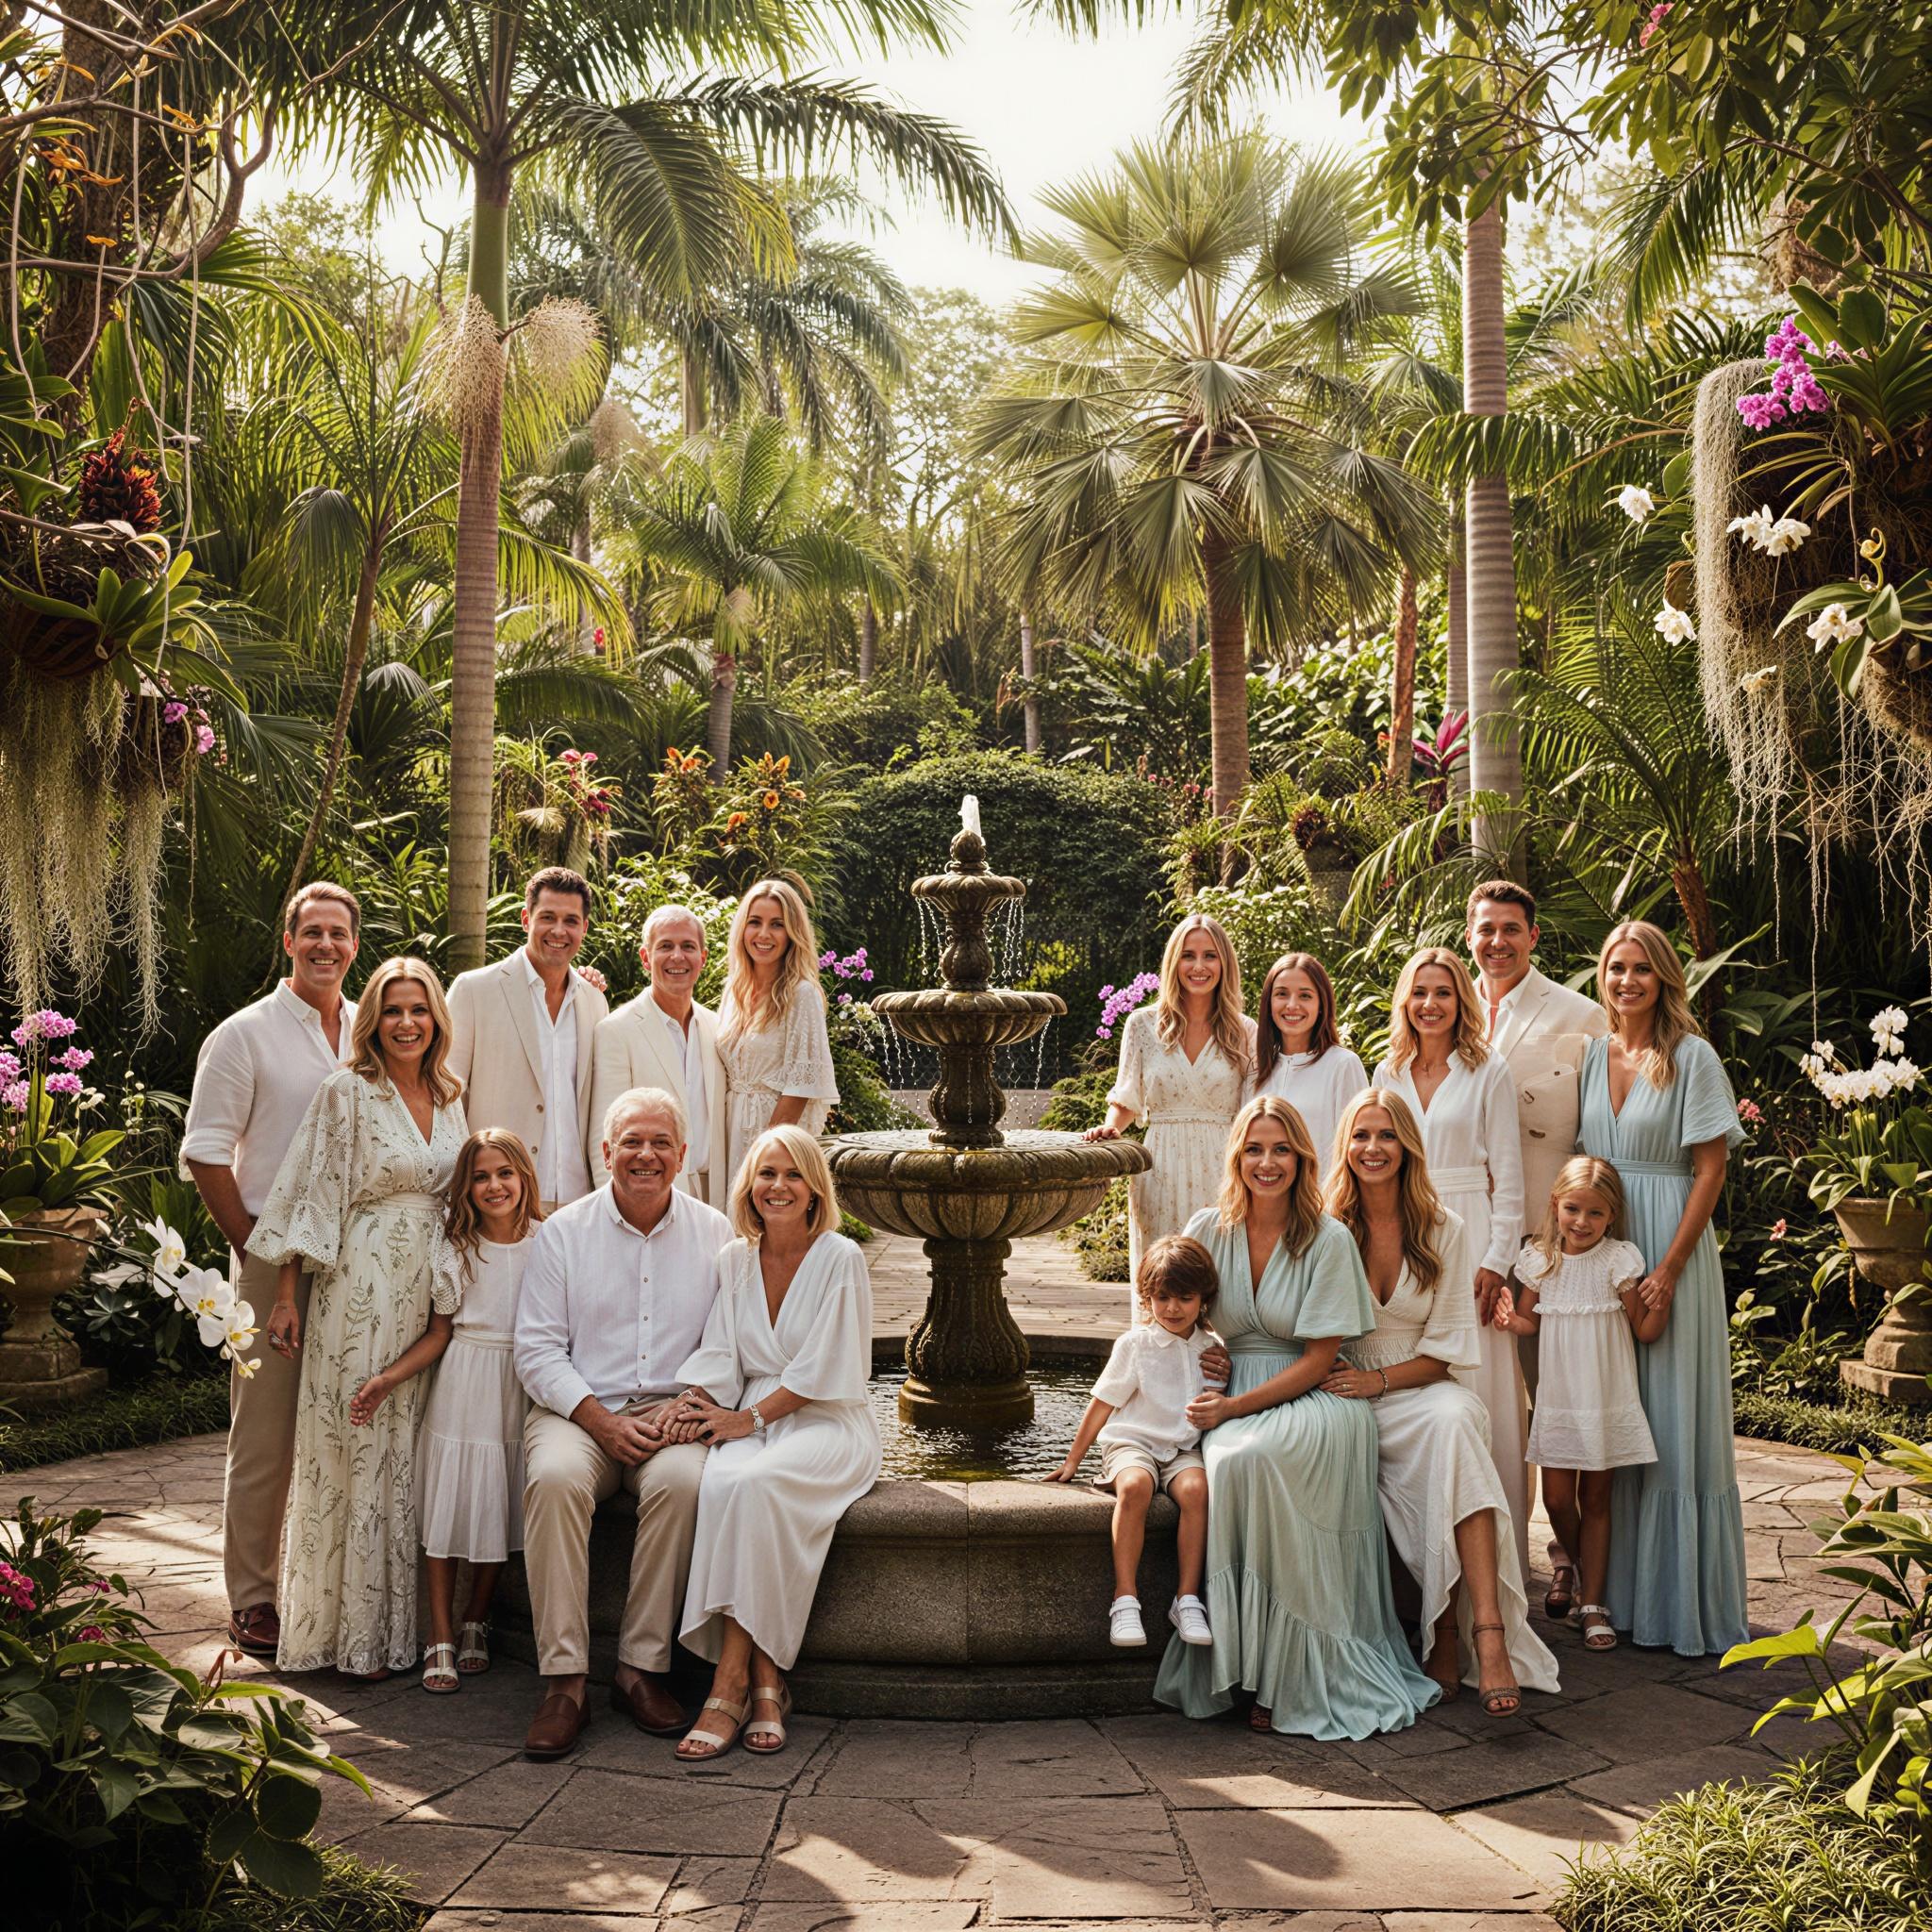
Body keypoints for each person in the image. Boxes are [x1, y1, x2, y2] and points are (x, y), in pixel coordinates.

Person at [1155, 1096, 1439, 1740]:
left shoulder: (1328, 1237)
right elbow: (1170, 1313)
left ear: (1303, 1159)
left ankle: (1293, 1675)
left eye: (1281, 1149)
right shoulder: (1208, 1227)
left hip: (1315, 1400)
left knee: (1245, 1457)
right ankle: (1243, 1665)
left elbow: (1318, 1359)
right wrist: (1208, 1356)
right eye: (1254, 1149)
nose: (1267, 1162)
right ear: (1236, 1156)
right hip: (1232, 1389)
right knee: (1228, 1459)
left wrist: (1232, 1406)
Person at [247, 957, 469, 1678]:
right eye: (394, 1010)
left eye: (420, 1010)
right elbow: (309, 1191)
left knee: (409, 1455)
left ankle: (400, 1632)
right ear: (375, 1020)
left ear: (437, 1018)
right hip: (359, 1286)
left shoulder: (449, 1092)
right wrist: (286, 1294)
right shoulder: (347, 1091)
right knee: (355, 1442)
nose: (408, 1023)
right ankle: (347, 1637)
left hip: (428, 1292)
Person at [1322, 1090, 1559, 1714]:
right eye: (1362, 1136)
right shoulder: (1323, 1226)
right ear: (1345, 1147)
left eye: (1387, 1136)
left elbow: (1447, 1354)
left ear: (1408, 1147)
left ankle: (1488, 1633)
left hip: (1416, 1389)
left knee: (1457, 1421)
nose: (1374, 1149)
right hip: (1340, 1393)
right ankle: (1446, 1635)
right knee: (1449, 1437)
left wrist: (1378, 1382)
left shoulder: (1444, 1229)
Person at [512, 1087, 732, 1760]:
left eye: (661, 1142)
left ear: (684, 1155)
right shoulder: (563, 1233)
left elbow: (730, 1340)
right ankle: (566, 1682)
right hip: (579, 1412)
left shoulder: (717, 1233)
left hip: (673, 1417)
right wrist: (599, 1422)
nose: (646, 1155)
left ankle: (640, 1669)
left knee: (685, 1485)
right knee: (551, 1478)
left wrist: (691, 1402)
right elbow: (537, 1347)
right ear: (605, 1152)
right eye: (631, 1142)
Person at [659, 1126, 881, 1759]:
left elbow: (826, 1373)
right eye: (765, 1174)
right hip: (753, 1412)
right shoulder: (734, 1259)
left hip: (827, 1421)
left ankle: (728, 1686)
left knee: (754, 1483)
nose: (777, 1187)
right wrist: (696, 1403)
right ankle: (766, 1684)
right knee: (722, 1482)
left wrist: (747, 1421)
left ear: (815, 1188)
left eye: (791, 1175)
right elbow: (722, 1352)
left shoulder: (840, 1258)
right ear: (748, 1186)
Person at [180, 881, 360, 1660]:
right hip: (271, 1264)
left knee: (347, 1427)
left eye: (339, 934)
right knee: (265, 1438)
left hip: (358, 1263)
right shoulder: (243, 1035)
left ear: (356, 945)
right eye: (311, 932)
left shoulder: (366, 1029)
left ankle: (329, 1590)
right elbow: (204, 1152)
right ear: (287, 941)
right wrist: (254, 1245)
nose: (326, 946)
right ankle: (253, 1598)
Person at [1579, 921, 1748, 1656]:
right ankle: (1616, 1597)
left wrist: (1671, 1267)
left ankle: (1683, 1607)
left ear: (1665, 979)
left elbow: (1710, 1168)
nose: (1627, 982)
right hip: (1607, 1256)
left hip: (1671, 1248)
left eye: (1642, 970)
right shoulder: (1592, 1055)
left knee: (1674, 1426)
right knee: (1621, 1420)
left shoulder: (1693, 1056)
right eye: (1617, 968)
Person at [346, 1128, 544, 1691]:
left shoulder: (549, 1240)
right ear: (466, 1186)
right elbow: (439, 1333)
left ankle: (476, 1620)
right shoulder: (454, 1245)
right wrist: (388, 1378)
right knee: (449, 1509)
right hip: (464, 1383)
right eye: (480, 1176)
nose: (494, 1185)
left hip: (523, 1381)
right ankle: (439, 1633)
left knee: (500, 1507)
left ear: (524, 1177)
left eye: (505, 1173)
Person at [1467, 876, 1609, 1618]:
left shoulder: (1580, 1016)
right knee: (1477, 1400)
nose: (1497, 942)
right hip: (1463, 1240)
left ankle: (1567, 1560)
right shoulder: (1444, 1007)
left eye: (1510, 929)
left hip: (1548, 1247)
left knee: (1555, 1400)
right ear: (1470, 935)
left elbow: (1598, 1139)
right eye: (1485, 929)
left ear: (1533, 936)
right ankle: (1480, 1550)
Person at [1373, 948, 1531, 1577]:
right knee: (1423, 1393)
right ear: (1405, 1002)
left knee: (1481, 1399)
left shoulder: (1486, 1068)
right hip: (1404, 1235)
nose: (1430, 1004)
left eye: (1442, 992)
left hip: (1472, 1233)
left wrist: (1496, 1262)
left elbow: (1510, 1182)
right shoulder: (1387, 1070)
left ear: (1460, 999)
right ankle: (1425, 1565)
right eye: (1419, 993)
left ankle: (1501, 1568)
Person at [1496, 1157, 1662, 1654]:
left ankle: (1592, 1604)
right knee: (1553, 1500)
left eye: (1594, 1213)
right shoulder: (1539, 1259)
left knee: (1596, 1502)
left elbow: (1645, 1330)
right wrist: (1508, 1318)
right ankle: (1576, 1563)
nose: (1582, 1222)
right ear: (1556, 1205)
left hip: (1607, 1395)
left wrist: (1663, 1294)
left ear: (1612, 1215)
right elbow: (1529, 1323)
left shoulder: (1620, 1259)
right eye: (1572, 1209)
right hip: (1560, 1398)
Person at [1047, 1235, 1219, 1652]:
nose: (1173, 1308)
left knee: (1198, 1491)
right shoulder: (1135, 1345)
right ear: (1147, 1299)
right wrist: (1073, 1462)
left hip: (1182, 1450)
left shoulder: (1213, 1349)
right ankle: (1125, 1599)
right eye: (1162, 1298)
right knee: (1136, 1487)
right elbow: (1102, 1404)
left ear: (1203, 1298)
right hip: (1133, 1444)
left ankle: (1187, 1599)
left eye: (1184, 1297)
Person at [1085, 914, 1256, 1312]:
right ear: (1173, 962)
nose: (1199, 966)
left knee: (1221, 1280)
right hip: (1159, 1165)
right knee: (1161, 1281)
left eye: (1210, 956)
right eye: (1189, 956)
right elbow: (1127, 1097)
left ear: (1224, 964)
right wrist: (1110, 1131)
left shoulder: (1244, 1030)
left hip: (1224, 1169)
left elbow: (1253, 1110)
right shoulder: (1142, 1026)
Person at [448, 866, 608, 1213]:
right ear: (526, 918)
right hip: (498, 1198)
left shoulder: (595, 1001)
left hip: (577, 1200)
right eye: (547, 917)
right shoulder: (474, 990)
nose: (558, 930)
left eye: (570, 920)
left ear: (584, 927)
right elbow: (448, 1099)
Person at [590, 904, 728, 1201]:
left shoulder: (719, 1028)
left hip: (717, 1196)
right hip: (649, 1196)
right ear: (645, 957)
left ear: (702, 958)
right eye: (665, 946)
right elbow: (605, 1132)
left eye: (688, 946)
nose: (677, 956)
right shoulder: (616, 1030)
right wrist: (615, 1211)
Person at [716, 879, 840, 1191]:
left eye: (777, 925)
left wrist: (764, 1156)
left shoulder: (802, 994)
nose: (763, 934)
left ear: (792, 934)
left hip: (771, 1134)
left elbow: (800, 1086)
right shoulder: (734, 991)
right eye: (754, 922)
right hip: (728, 1129)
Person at [1253, 952, 1368, 1183]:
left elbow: (1358, 1149)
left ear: (1321, 1004)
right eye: (1282, 994)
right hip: (1264, 1211)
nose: (1292, 1005)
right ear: (1269, 1003)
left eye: (1305, 996)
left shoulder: (1343, 1065)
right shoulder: (1255, 1071)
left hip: (1323, 1208)